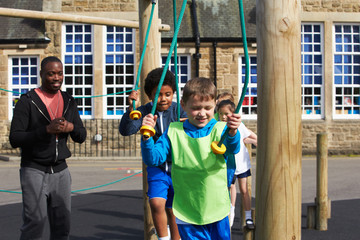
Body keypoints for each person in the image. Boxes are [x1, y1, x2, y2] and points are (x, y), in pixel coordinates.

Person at [141, 77, 242, 239]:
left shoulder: (221, 129)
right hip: (188, 209)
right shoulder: (173, 131)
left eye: (207, 108)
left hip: (217, 207)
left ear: (215, 105)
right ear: (183, 105)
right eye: (195, 108)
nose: (202, 113)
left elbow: (232, 148)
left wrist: (232, 133)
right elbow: (153, 159)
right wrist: (147, 137)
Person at [9, 56, 87, 239]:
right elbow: (15, 138)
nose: (56, 78)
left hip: (61, 171)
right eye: (51, 74)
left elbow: (81, 136)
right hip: (34, 169)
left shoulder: (69, 100)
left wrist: (71, 127)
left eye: (60, 73)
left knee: (62, 224)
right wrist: (46, 130)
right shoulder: (27, 101)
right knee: (35, 221)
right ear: (42, 74)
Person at [119, 68, 186, 240]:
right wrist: (131, 109)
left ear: (173, 93)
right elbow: (126, 130)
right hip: (157, 167)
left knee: (173, 209)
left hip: (178, 166)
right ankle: (163, 238)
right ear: (150, 95)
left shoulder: (180, 111)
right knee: (156, 202)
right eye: (158, 95)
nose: (163, 99)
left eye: (168, 94)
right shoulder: (144, 111)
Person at [217, 99, 257, 230]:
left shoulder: (238, 125)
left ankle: (248, 216)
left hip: (241, 163)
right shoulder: (218, 126)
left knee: (244, 190)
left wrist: (258, 140)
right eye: (221, 113)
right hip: (229, 165)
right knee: (229, 188)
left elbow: (246, 136)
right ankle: (231, 212)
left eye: (226, 113)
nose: (223, 116)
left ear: (232, 113)